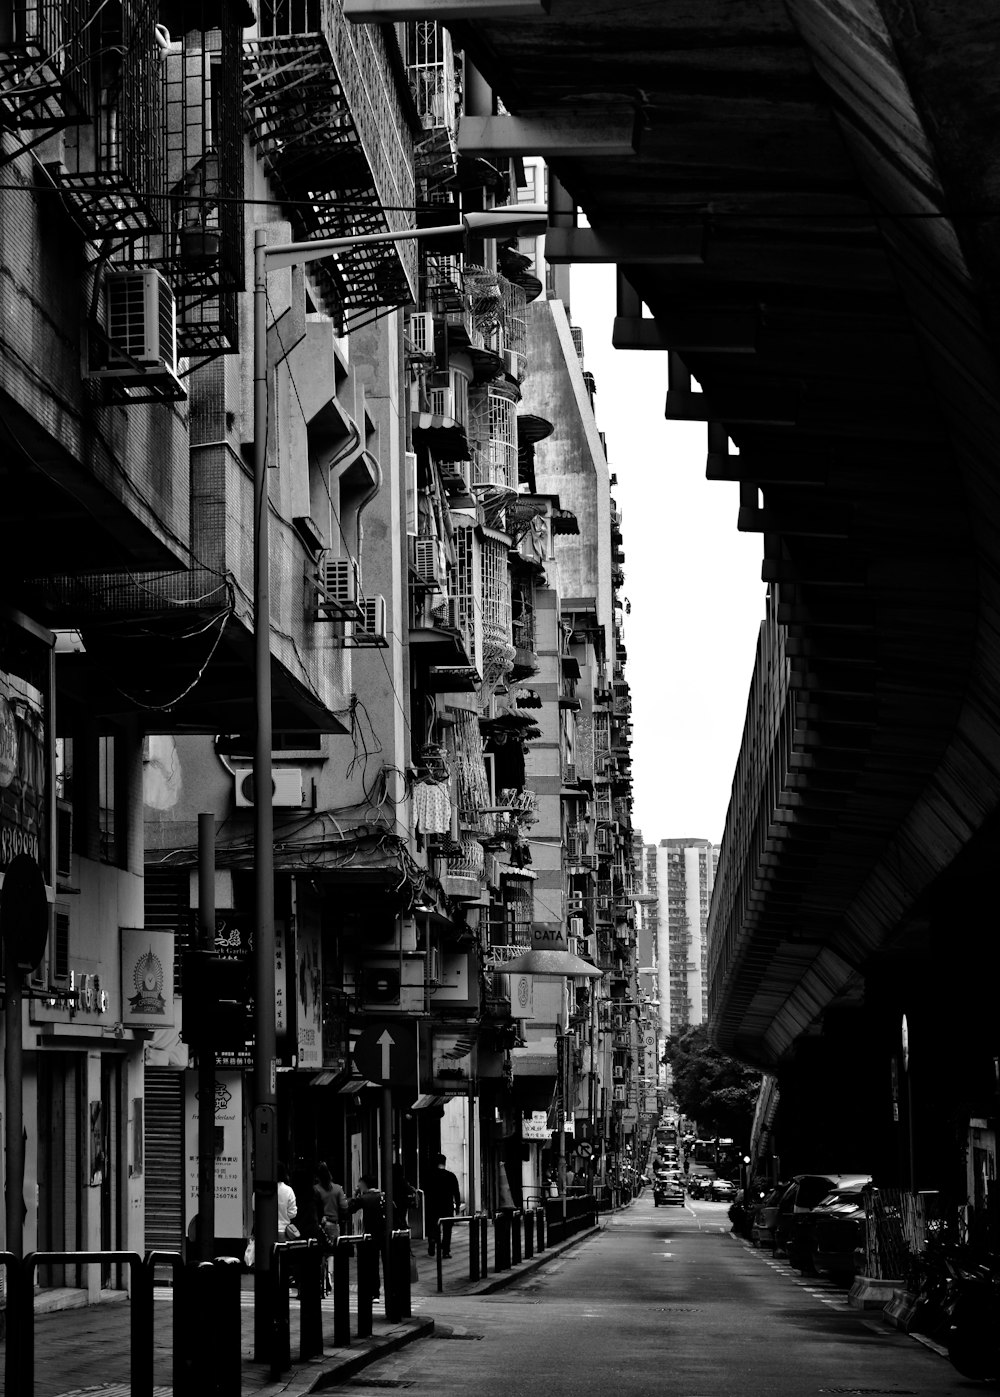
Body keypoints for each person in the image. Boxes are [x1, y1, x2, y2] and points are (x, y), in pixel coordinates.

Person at [349, 1175, 386, 1300]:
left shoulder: (364, 1198)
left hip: (371, 1235)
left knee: (372, 1264)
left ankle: (374, 1292)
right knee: (387, 1264)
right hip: (385, 1234)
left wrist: (355, 1195)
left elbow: (350, 1208)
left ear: (364, 1184)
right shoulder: (383, 1196)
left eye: (359, 1185)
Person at [314, 1161, 349, 1292]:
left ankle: (321, 1278)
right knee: (331, 1252)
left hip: (320, 1225)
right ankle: (329, 1275)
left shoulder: (316, 1189)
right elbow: (344, 1207)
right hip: (333, 1225)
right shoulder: (338, 1189)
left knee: (319, 1252)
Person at [425, 1153, 461, 1258]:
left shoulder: (430, 1175)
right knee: (447, 1229)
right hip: (447, 1206)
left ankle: (432, 1243)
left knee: (433, 1226)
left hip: (433, 1206)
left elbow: (426, 1191)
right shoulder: (451, 1176)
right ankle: (445, 1251)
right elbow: (456, 1192)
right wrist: (457, 1206)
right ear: (444, 1163)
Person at [277, 1161, 298, 1240]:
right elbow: (292, 1214)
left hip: (264, 1231)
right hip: (283, 1231)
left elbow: (254, 1208)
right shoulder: (288, 1190)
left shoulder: (261, 1190)